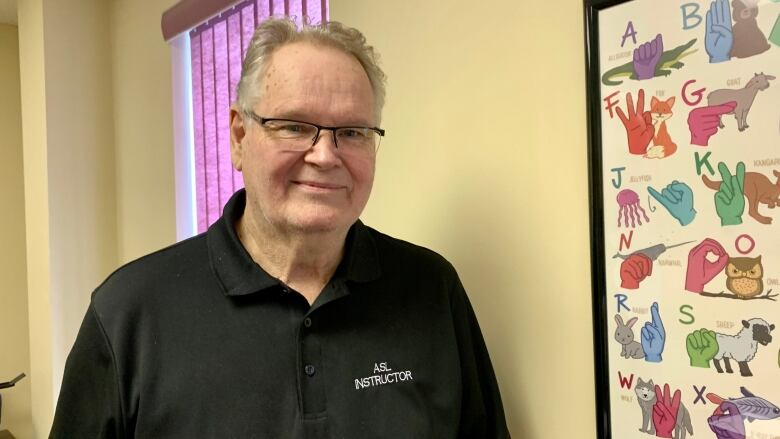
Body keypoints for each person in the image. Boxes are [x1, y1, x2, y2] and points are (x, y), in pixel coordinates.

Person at [50, 18, 509, 438]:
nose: (326, 156)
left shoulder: (431, 288)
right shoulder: (130, 314)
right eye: (293, 126)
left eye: (352, 132)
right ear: (239, 137)